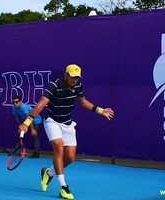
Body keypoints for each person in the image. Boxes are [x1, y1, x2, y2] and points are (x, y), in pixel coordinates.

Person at [19, 64, 114, 199]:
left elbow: (83, 102)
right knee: (58, 147)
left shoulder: (77, 86)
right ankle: (63, 187)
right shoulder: (53, 86)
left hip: (68, 124)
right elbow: (40, 105)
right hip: (52, 121)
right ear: (66, 74)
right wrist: (27, 123)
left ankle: (48, 173)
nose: (74, 81)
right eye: (72, 77)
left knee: (70, 158)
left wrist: (100, 110)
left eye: (77, 78)